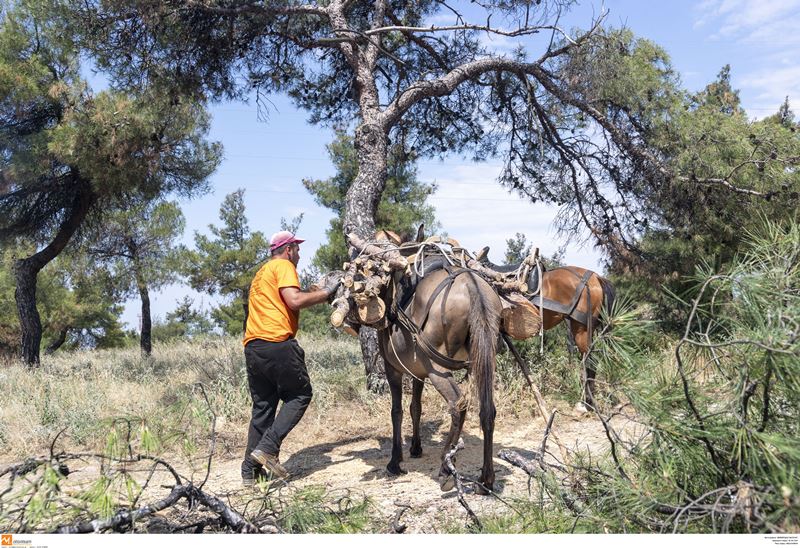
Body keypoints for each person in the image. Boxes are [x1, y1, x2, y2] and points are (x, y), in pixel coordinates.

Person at [241, 230, 341, 486]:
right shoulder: (283, 265)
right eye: (297, 249)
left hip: (254, 346)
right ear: (288, 249)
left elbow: (286, 300)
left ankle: (250, 472)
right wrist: (329, 292)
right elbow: (294, 301)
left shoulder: (262, 272)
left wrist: (314, 292)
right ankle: (268, 448)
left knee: (263, 407)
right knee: (300, 395)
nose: (299, 253)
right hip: (277, 345)